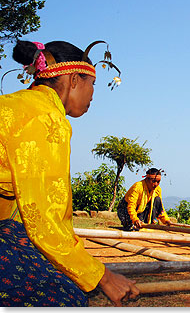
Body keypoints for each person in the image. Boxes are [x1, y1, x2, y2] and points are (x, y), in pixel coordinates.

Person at [0, 40, 139, 306]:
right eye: (92, 84)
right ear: (74, 79)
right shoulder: (45, 119)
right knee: (65, 297)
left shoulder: (20, 105)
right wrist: (104, 278)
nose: (93, 95)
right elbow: (46, 225)